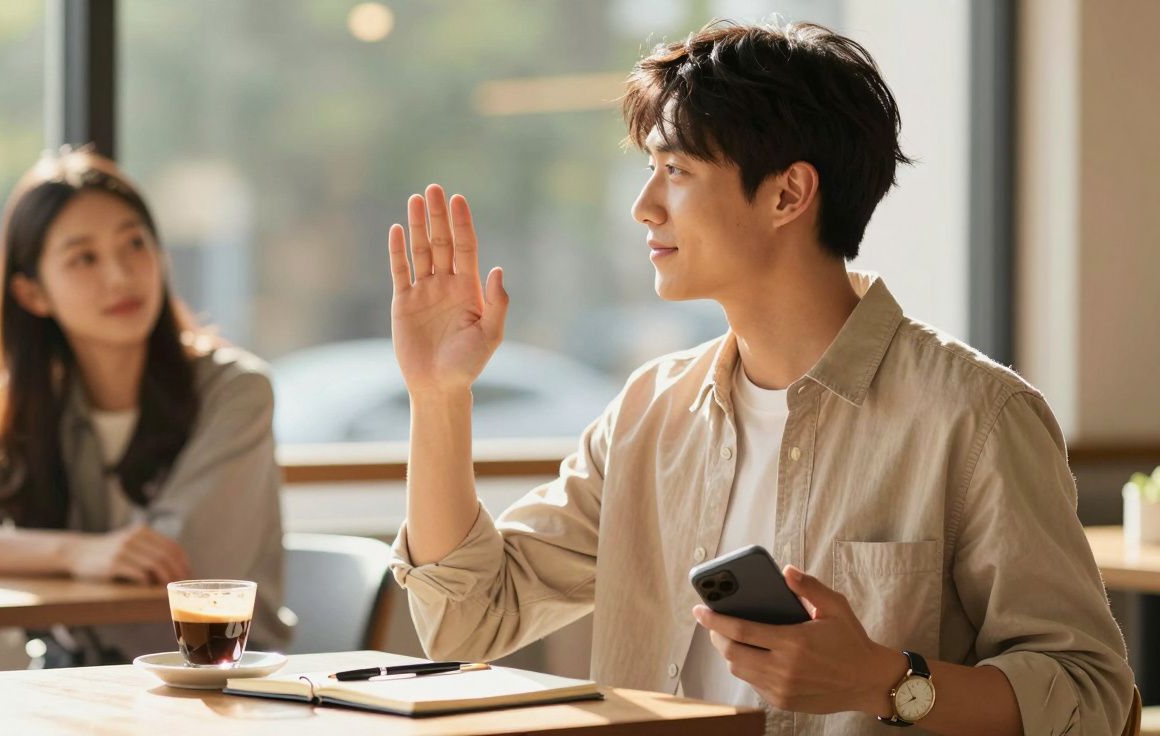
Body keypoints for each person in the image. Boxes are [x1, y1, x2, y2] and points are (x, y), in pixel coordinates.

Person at [384, 20, 1133, 735]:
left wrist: (882, 680)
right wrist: (439, 396)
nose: (644, 207)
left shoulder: (975, 417)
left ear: (787, 195)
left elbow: (1090, 697)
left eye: (675, 171)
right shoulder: (649, 412)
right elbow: (471, 615)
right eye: (649, 170)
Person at [0, 149, 290, 663]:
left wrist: (48, 557)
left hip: (216, 685)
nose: (121, 276)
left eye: (135, 244)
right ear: (32, 293)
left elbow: (179, 569)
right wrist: (74, 553)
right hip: (70, 682)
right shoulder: (26, 403)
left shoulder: (236, 392)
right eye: (84, 258)